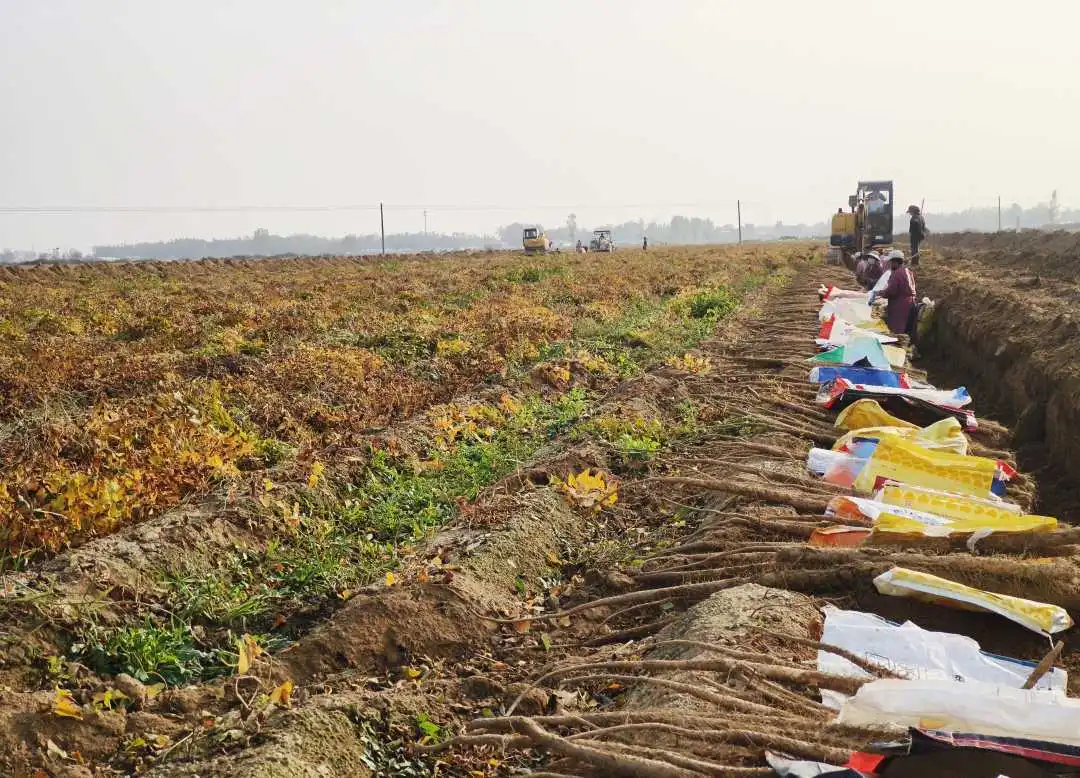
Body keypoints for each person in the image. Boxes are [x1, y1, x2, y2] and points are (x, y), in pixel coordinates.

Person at [876, 252, 916, 335]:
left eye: (891, 262)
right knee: (907, 327)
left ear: (895, 262)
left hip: (899, 304)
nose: (890, 265)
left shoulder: (897, 273)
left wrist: (881, 293)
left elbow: (891, 290)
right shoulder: (908, 271)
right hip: (910, 302)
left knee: (897, 329)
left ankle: (898, 340)